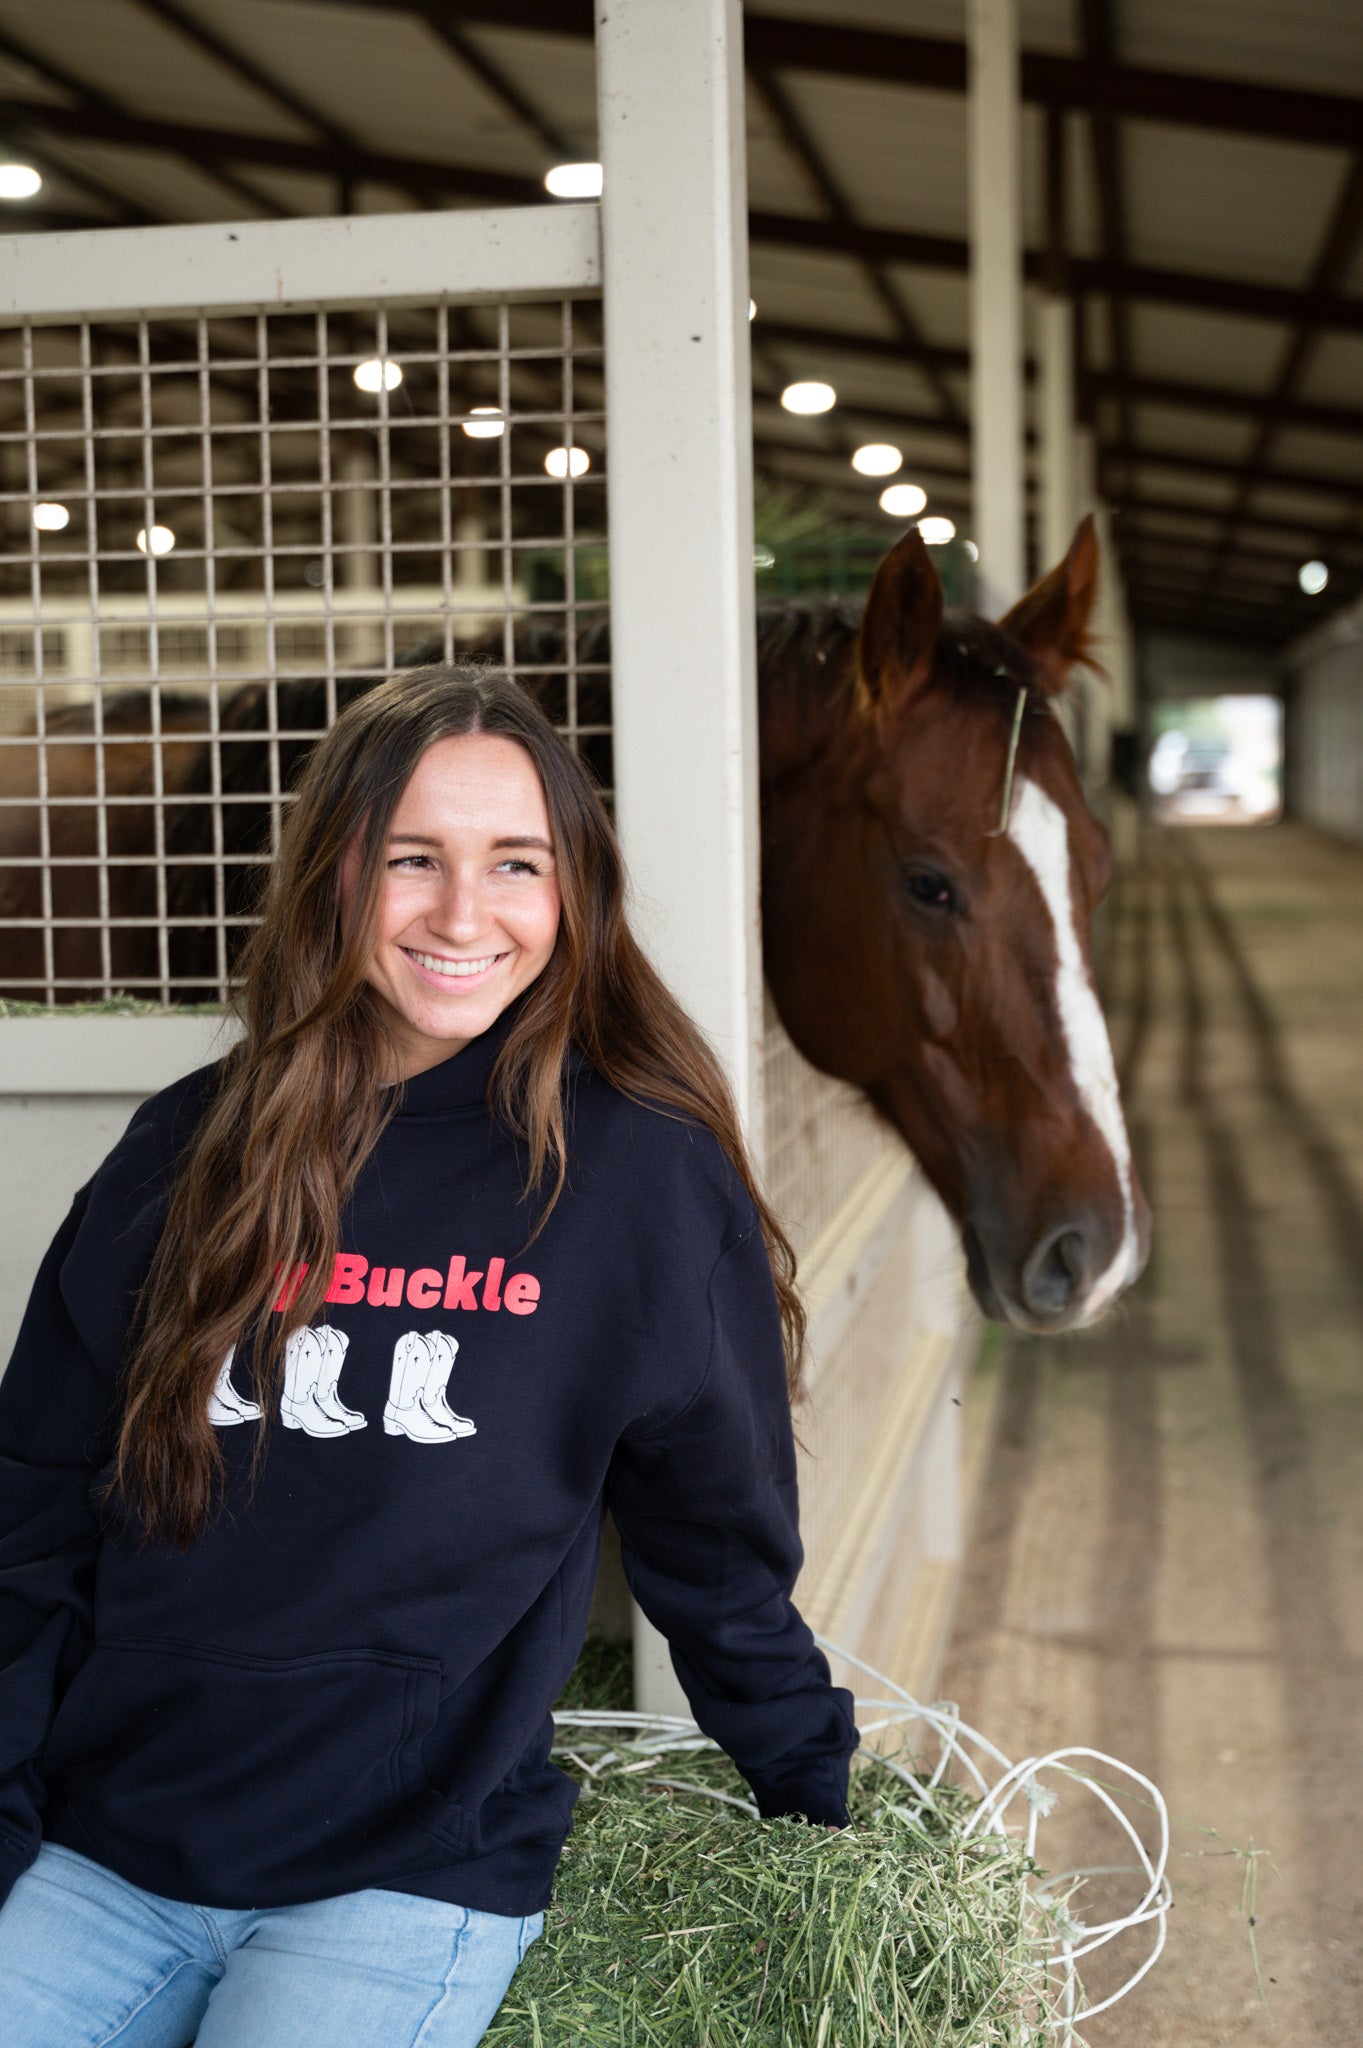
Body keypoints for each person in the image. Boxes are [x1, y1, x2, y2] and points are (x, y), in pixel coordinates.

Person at [0, 666, 858, 2048]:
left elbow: (716, 1545)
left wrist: (812, 1795)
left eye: (514, 863)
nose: (465, 914)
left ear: (572, 889)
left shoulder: (636, 1182)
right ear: (335, 877)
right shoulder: (184, 1150)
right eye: (413, 859)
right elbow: (32, 1512)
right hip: (111, 1850)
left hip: (401, 1877)